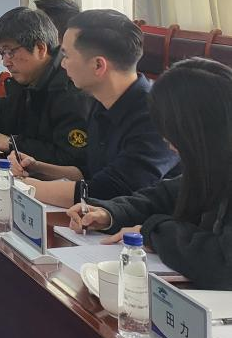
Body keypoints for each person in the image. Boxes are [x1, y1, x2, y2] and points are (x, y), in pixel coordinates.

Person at [0, 10, 179, 205]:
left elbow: (110, 190)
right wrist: (38, 168)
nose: (63, 65)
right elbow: (89, 172)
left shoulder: (156, 115)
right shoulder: (101, 102)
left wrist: (7, 184)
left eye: (67, 56)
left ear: (98, 65)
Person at [68, 58, 232, 290]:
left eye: (171, 132)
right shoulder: (212, 163)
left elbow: (223, 262)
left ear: (199, 129)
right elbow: (164, 196)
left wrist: (153, 232)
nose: (167, 142)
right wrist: (110, 213)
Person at [0, 7, 93, 170]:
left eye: (9, 52)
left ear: (40, 49)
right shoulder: (25, 82)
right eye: (1, 53)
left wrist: (11, 143)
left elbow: (71, 158)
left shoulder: (72, 91)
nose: (5, 62)